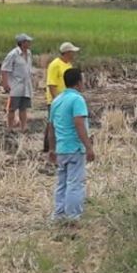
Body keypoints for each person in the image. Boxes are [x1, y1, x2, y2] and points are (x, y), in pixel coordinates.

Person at [46, 68, 95, 224]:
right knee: (75, 183)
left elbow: (51, 127)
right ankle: (73, 217)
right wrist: (88, 147)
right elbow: (79, 123)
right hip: (75, 148)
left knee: (62, 183)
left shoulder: (56, 101)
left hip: (61, 149)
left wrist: (52, 148)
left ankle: (59, 215)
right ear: (79, 83)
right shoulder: (77, 100)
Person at [43, 42, 81, 151]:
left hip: (67, 98)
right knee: (52, 123)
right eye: (72, 52)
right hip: (56, 100)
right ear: (67, 52)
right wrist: (57, 100)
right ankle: (48, 147)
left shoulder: (68, 65)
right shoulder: (55, 65)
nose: (74, 54)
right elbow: (51, 84)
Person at [1, 33, 34, 132]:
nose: (29, 43)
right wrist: (5, 84)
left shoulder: (29, 53)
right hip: (15, 85)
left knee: (23, 108)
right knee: (12, 108)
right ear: (22, 43)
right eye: (27, 42)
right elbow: (4, 69)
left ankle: (23, 127)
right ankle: (10, 128)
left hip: (26, 85)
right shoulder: (13, 54)